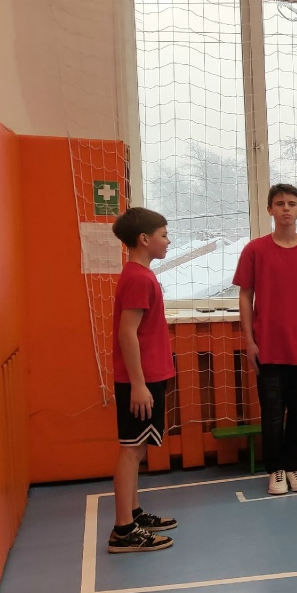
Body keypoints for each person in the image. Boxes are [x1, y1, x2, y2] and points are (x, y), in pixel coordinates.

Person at [234, 184, 297, 495]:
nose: (285, 208)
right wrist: (250, 341)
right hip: (268, 347)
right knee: (272, 414)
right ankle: (275, 469)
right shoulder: (254, 250)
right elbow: (245, 295)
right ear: (270, 210)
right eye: (279, 203)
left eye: (291, 203)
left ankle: (294, 467)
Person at [107, 207, 177, 552]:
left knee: (138, 448)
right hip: (141, 378)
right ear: (145, 239)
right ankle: (123, 530)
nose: (168, 241)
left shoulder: (141, 275)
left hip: (149, 375)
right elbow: (127, 333)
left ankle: (132, 514)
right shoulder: (138, 278)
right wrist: (138, 383)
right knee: (132, 450)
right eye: (164, 235)